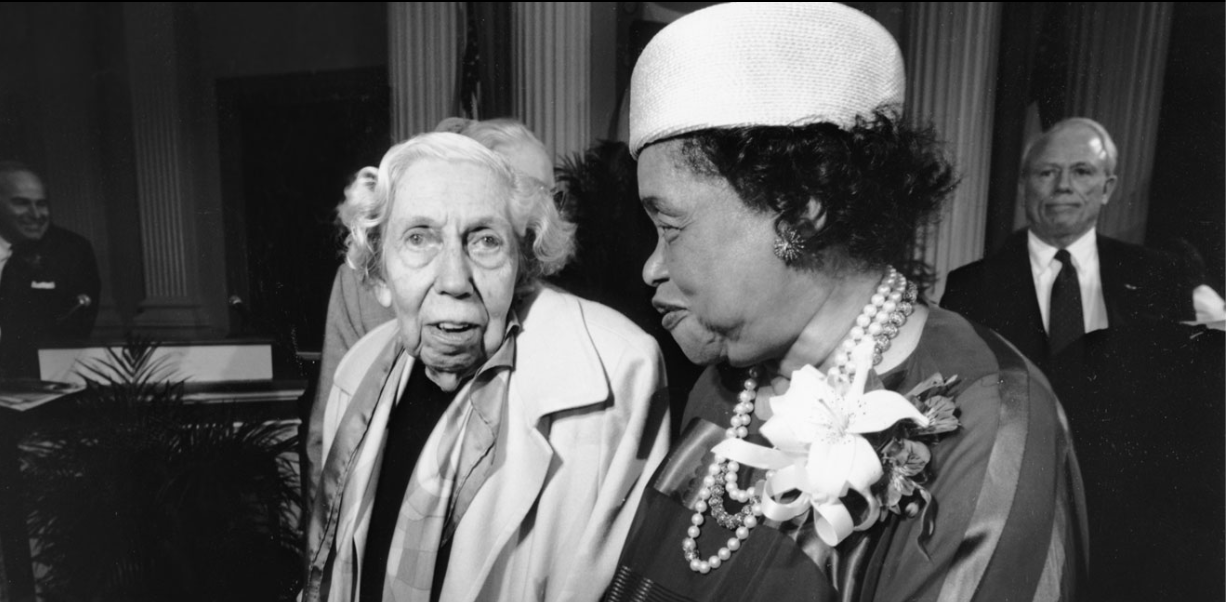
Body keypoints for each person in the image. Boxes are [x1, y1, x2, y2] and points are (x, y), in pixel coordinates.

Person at [601, 3, 1086, 601]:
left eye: (671, 227)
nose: (652, 267)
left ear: (802, 210)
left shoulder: (993, 421)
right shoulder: (721, 387)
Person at [303, 133, 671, 601]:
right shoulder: (357, 370)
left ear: (524, 263)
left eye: (485, 241)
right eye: (419, 238)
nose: (455, 280)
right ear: (378, 270)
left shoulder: (620, 370)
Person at [305, 118, 557, 514]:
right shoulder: (364, 289)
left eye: (547, 193)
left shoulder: (547, 309)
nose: (537, 210)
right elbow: (330, 434)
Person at [940, 118, 1195, 370]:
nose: (1062, 186)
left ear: (1107, 189)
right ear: (1023, 187)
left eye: (1081, 171)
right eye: (1047, 172)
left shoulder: (1161, 275)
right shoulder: (968, 288)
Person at [0, 161, 100, 378]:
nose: (36, 214)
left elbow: (74, 324)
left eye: (41, 204)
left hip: (14, 376)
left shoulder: (70, 250)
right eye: (21, 203)